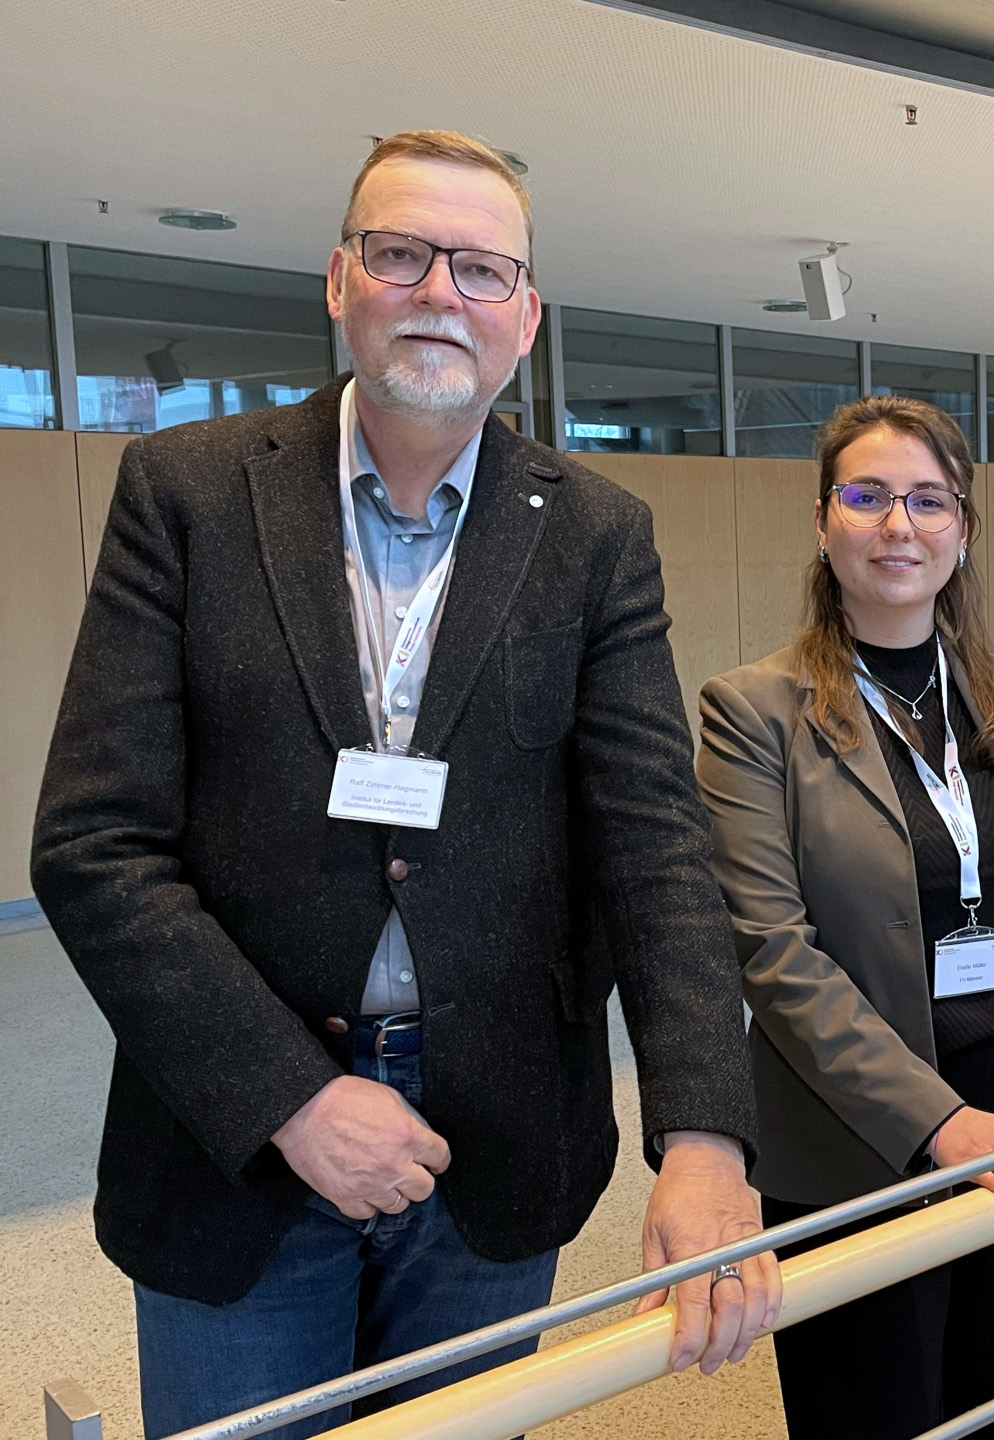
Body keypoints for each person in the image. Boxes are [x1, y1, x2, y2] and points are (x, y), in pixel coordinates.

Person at [30, 131, 777, 1437]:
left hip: (492, 1130)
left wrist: (707, 1135)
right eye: (403, 253)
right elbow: (96, 842)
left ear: (526, 315)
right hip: (234, 1142)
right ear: (339, 281)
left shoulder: (598, 535)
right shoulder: (188, 494)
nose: (442, 291)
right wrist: (291, 1099)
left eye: (484, 267)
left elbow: (653, 846)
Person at [696, 395, 994, 1440]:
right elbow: (773, 951)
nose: (899, 526)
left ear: (964, 529)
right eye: (868, 496)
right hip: (859, 1140)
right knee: (878, 1411)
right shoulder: (750, 710)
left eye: (928, 501)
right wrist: (940, 1125)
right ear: (822, 521)